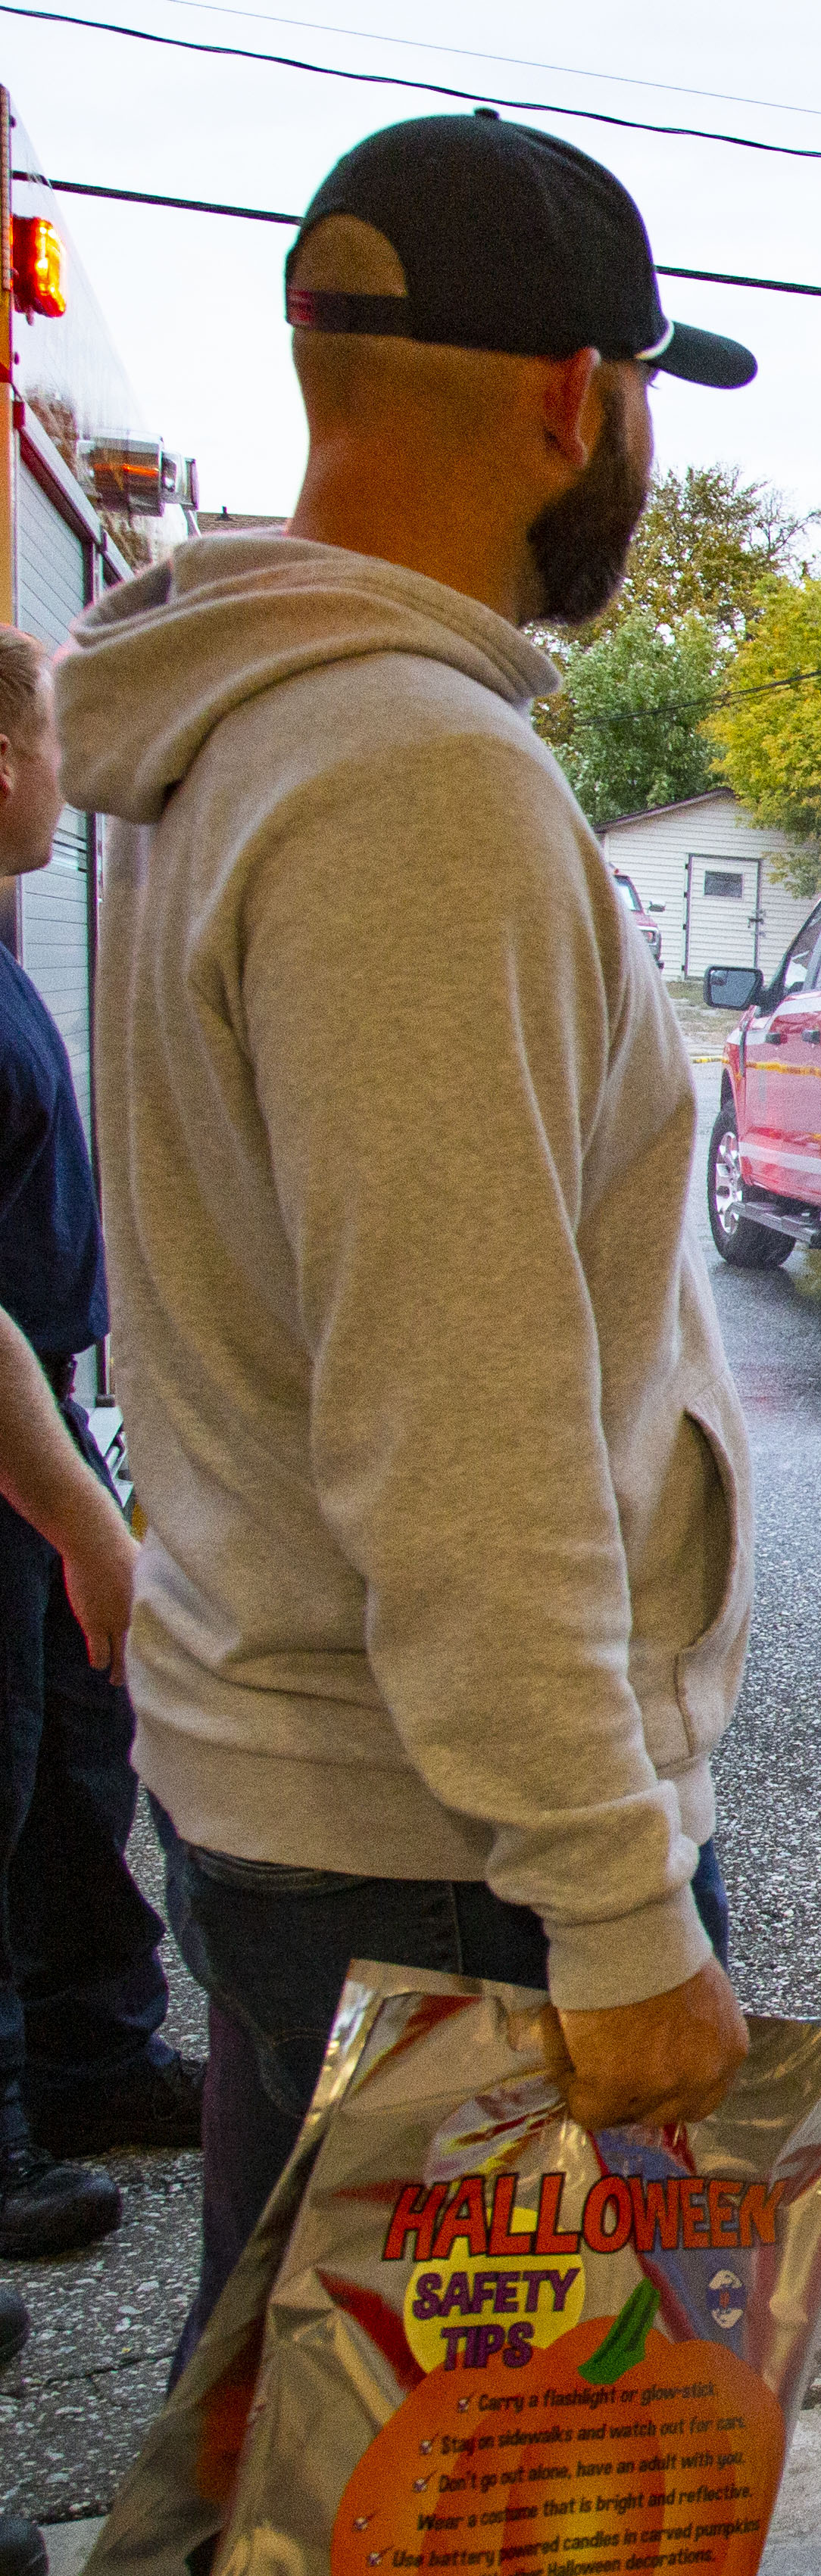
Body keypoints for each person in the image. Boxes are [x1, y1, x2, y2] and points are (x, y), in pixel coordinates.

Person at [52, 111, 763, 2341]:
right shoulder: (413, 778)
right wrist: (617, 1900)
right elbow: (462, 1405)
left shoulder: (242, 730)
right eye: (640, 398)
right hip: (452, 1850)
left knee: (298, 2453)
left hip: (323, 1793)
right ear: (574, 398)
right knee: (515, 2537)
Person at [0, 625, 193, 2284]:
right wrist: (80, 1511)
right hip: (13, 1444)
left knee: (71, 1759)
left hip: (46, 1406)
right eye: (51, 741)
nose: (68, 772)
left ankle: (87, 2057)